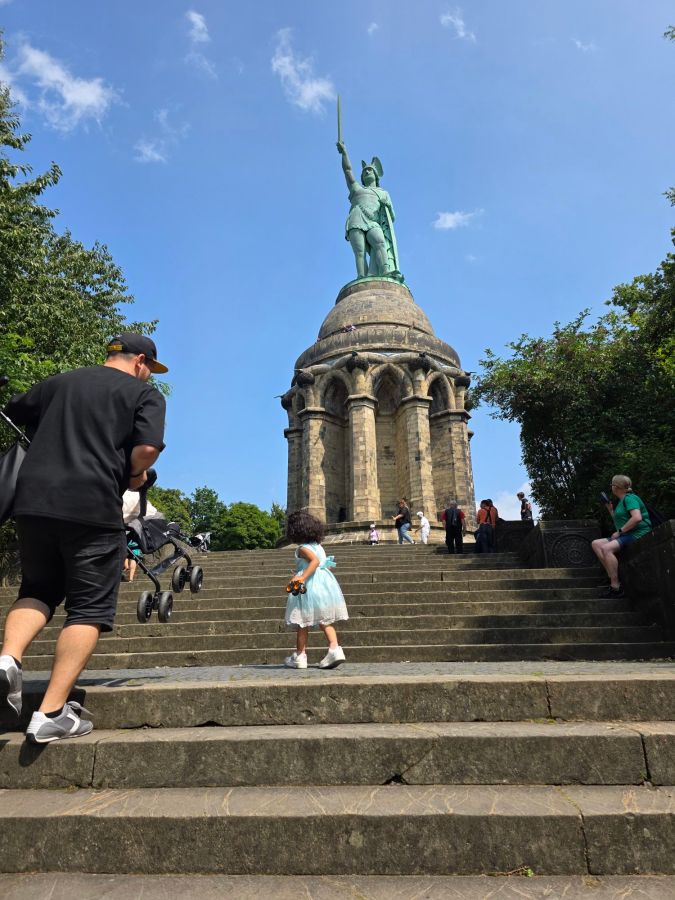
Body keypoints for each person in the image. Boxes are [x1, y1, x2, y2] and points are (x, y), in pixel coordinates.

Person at [0, 333, 167, 743]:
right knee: (89, 608)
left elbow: (12, 411)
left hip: (33, 501)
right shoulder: (145, 394)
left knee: (38, 587)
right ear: (141, 361)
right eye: (150, 370)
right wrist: (133, 475)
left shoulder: (59, 382)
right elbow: (146, 450)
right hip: (91, 504)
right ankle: (51, 714)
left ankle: (8, 659)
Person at [284, 511, 349, 670]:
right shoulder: (319, 546)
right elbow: (321, 564)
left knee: (302, 623)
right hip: (322, 587)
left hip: (308, 587)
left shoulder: (301, 549)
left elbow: (314, 562)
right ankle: (334, 649)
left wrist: (301, 578)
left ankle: (300, 655)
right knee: (325, 620)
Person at [591, 475, 652, 598]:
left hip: (638, 533)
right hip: (627, 533)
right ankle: (612, 577)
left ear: (616, 487)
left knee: (606, 548)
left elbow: (637, 518)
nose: (611, 487)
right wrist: (611, 511)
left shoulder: (630, 498)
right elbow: (621, 522)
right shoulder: (622, 501)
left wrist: (619, 532)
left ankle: (616, 588)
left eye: (612, 484)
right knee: (596, 544)